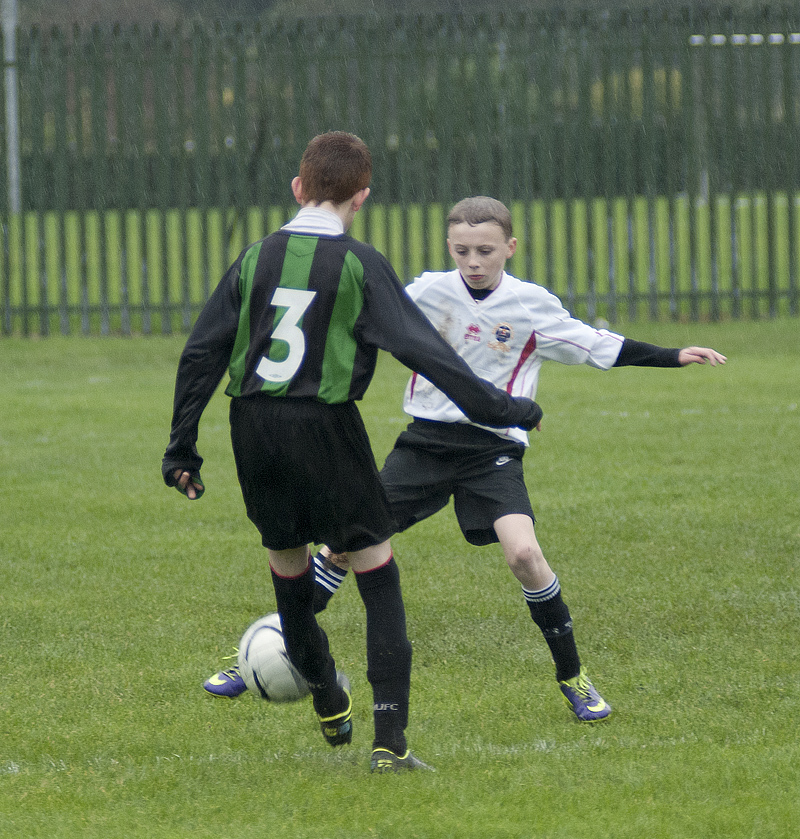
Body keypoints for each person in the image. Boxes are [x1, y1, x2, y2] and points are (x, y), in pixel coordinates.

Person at [204, 195, 726, 725]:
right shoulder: (426, 292)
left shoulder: (530, 304)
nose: (473, 262)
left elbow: (596, 345)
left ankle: (573, 677)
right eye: (462, 251)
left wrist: (671, 355)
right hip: (424, 445)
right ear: (449, 248)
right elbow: (365, 319)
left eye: (485, 251)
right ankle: (256, 660)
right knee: (341, 547)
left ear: (510, 248)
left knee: (524, 554)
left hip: (492, 452)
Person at [163, 145, 544, 774]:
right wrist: (502, 409)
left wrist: (182, 447)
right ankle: (389, 742)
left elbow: (201, 352)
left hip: (252, 427)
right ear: (361, 196)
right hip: (326, 427)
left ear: (296, 187)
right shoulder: (360, 263)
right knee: (376, 573)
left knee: (288, 567)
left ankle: (327, 697)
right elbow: (424, 351)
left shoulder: (255, 256)